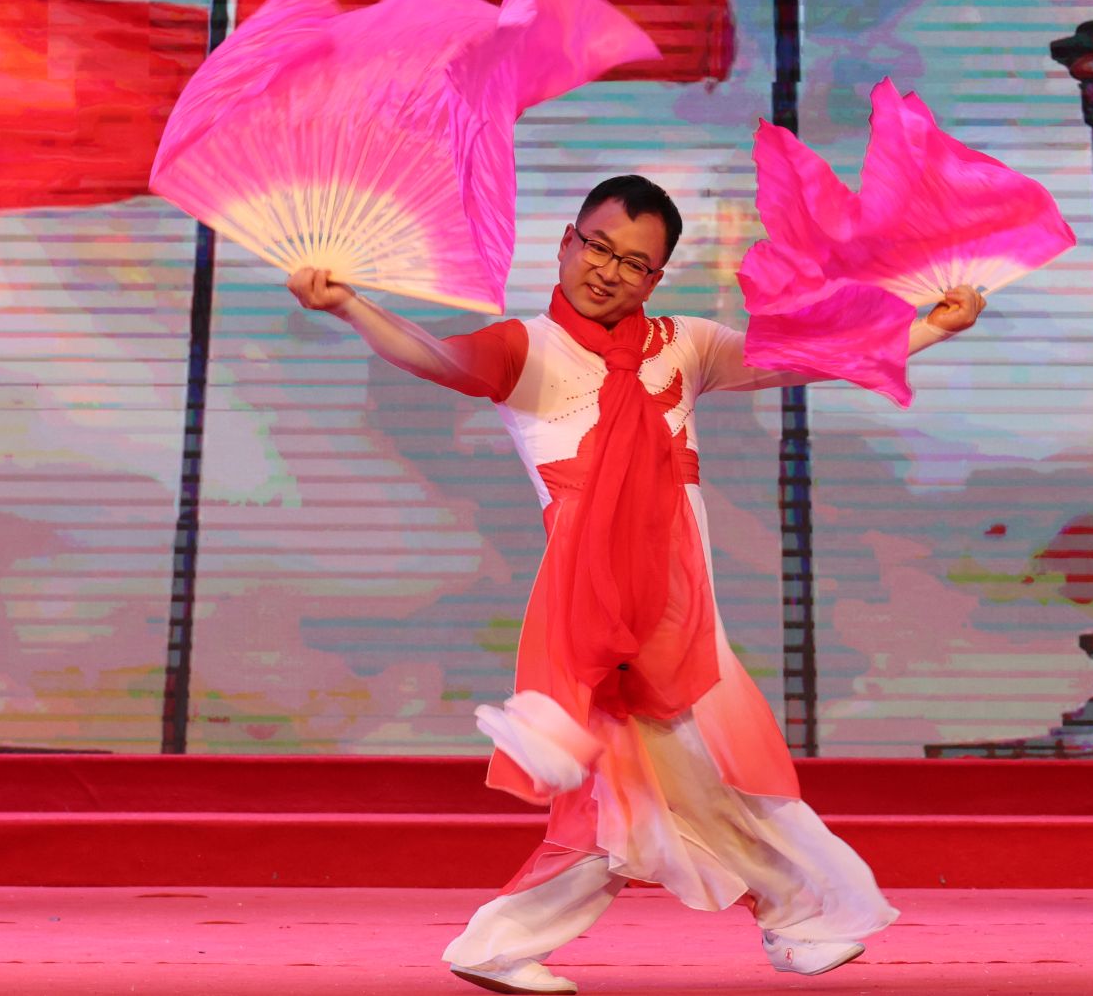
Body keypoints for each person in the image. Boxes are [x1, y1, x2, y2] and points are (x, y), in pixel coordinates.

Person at [288, 176, 985, 994]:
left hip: (682, 612)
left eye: (634, 262)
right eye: (598, 247)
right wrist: (350, 307)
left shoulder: (685, 346)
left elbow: (809, 356)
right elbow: (435, 355)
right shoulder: (526, 349)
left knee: (668, 787)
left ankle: (778, 917)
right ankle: (785, 915)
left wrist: (929, 328)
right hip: (599, 614)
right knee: (662, 782)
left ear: (656, 275)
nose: (609, 271)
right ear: (567, 241)